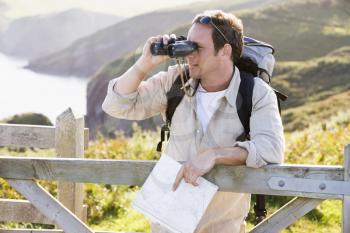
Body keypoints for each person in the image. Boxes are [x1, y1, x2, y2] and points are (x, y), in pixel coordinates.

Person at [102, 9, 284, 233]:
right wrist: (144, 63)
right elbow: (115, 105)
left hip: (220, 227)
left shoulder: (255, 92)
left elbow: (271, 150)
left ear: (225, 51)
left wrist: (215, 155)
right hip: (167, 225)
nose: (189, 54)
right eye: (188, 45)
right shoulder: (175, 81)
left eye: (197, 48)